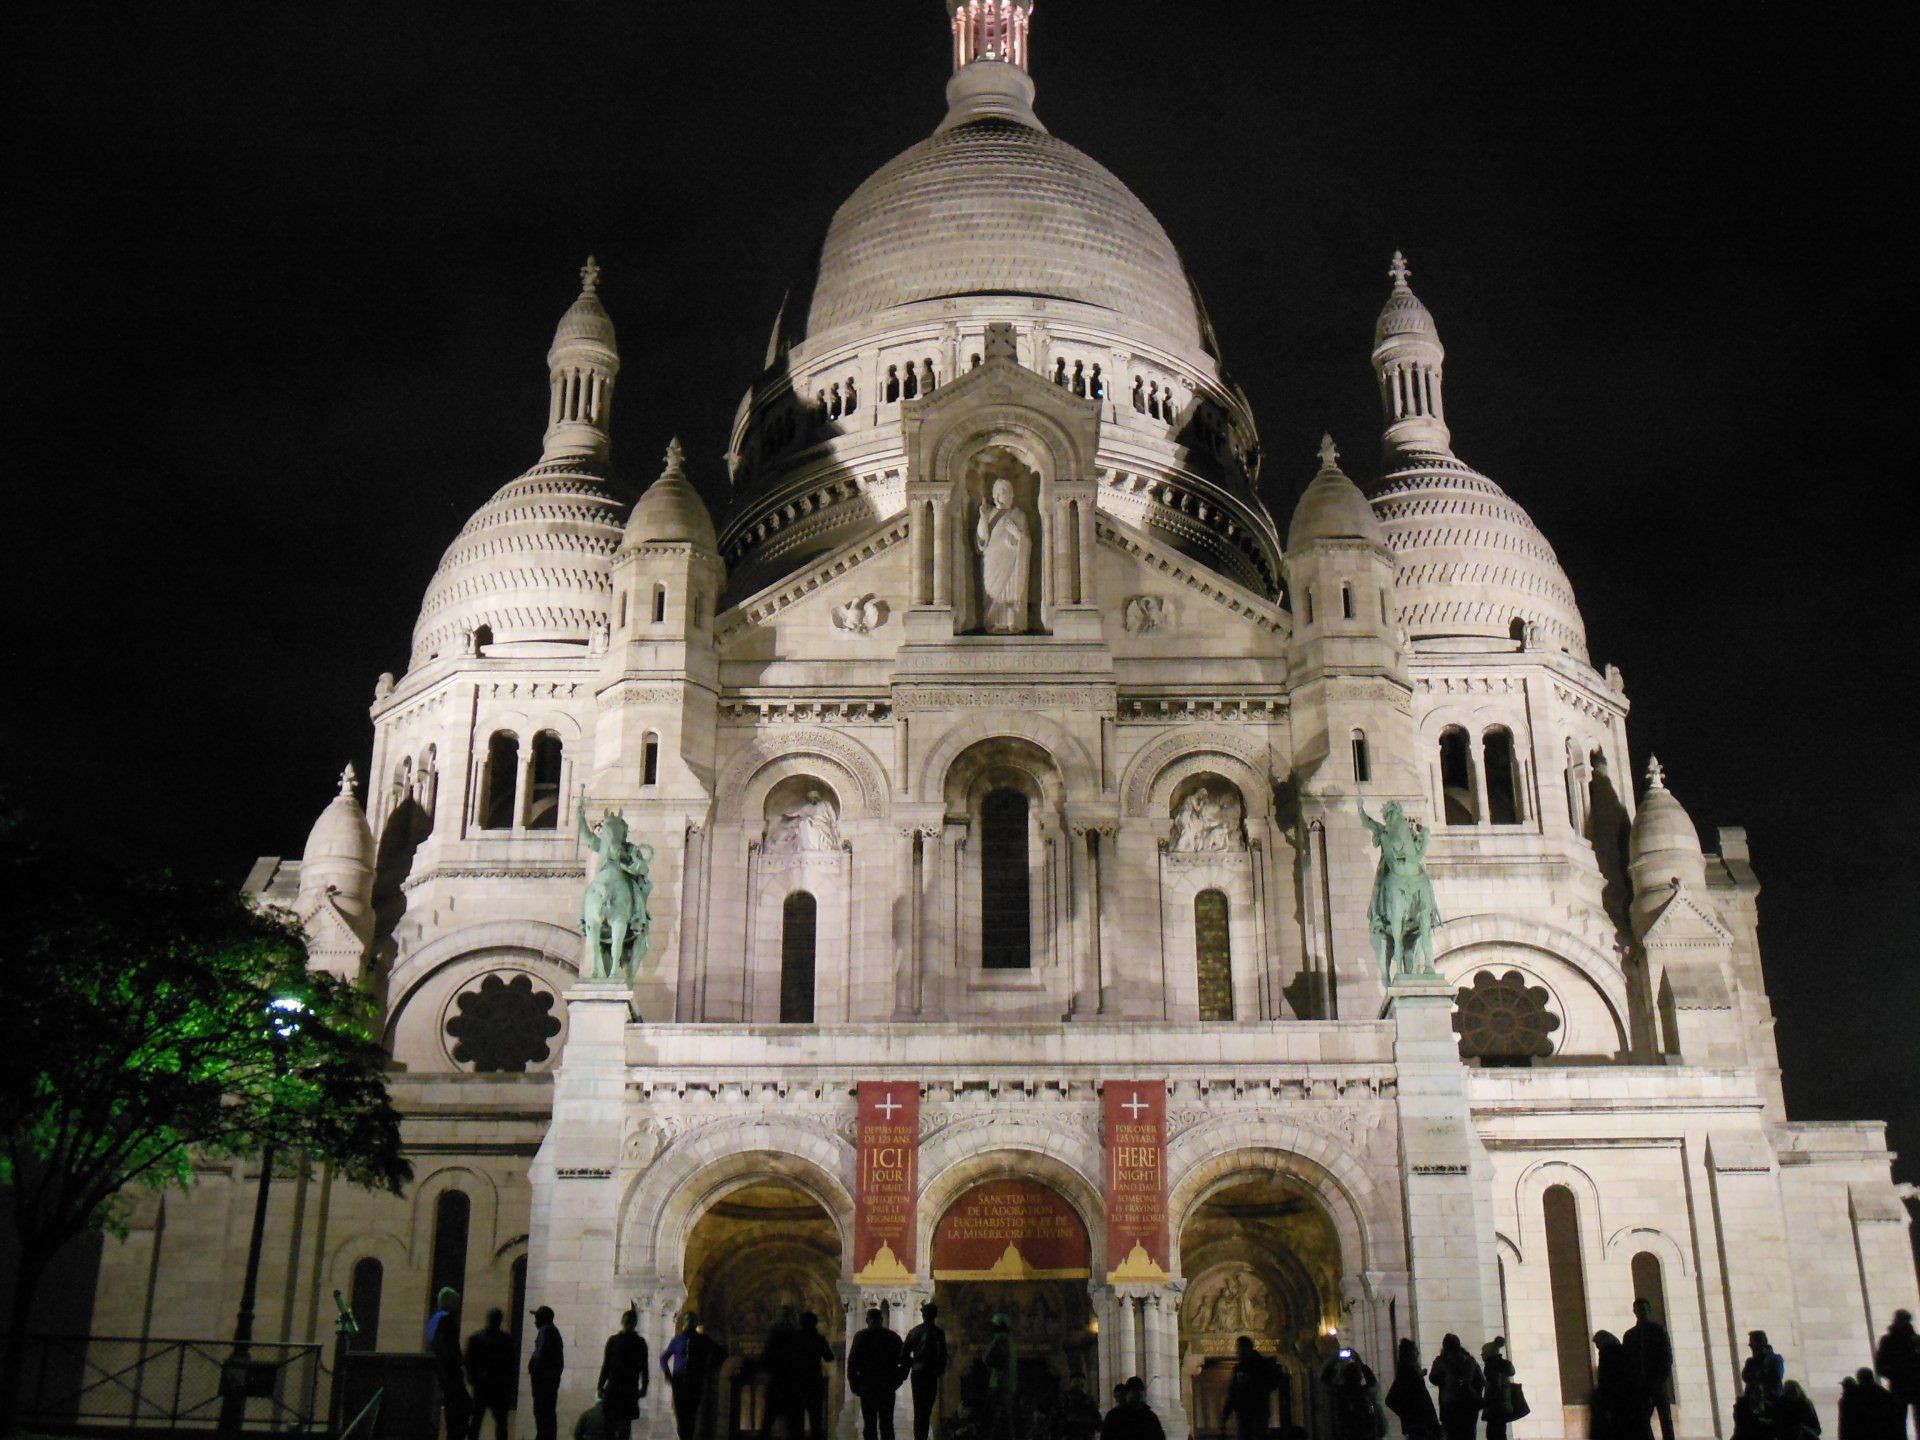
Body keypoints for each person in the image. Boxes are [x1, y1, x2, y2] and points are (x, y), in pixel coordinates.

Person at [662, 1311, 726, 1440]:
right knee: (681, 1415)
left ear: (696, 1323)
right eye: (687, 1320)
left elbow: (722, 1353)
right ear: (684, 1322)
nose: (688, 1322)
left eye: (691, 1320)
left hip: (695, 1381)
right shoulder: (678, 1339)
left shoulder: (703, 1339)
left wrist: (708, 1369)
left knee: (691, 1415)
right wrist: (668, 1375)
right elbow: (664, 1358)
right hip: (679, 1381)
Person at [848, 1307, 907, 1440]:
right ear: (882, 1320)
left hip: (867, 1386)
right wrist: (898, 1379)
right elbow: (905, 1361)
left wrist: (854, 1383)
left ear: (867, 1320)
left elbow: (852, 1363)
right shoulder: (892, 1337)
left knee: (869, 1425)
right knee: (887, 1425)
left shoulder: (861, 1336)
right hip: (886, 1386)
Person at [1623, 1300, 1675, 1440]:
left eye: (1645, 1309)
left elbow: (1666, 1358)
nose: (1643, 1312)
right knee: (1642, 1422)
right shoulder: (1630, 1336)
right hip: (1640, 1387)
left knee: (1666, 1422)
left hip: (1657, 1384)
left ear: (1649, 1310)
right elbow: (1628, 1362)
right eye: (1640, 1309)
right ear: (1635, 1311)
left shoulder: (1658, 1331)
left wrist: (1659, 1380)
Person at [464, 1307, 517, 1440]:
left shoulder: (476, 1338)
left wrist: (473, 1379)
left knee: (477, 1422)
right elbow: (511, 1365)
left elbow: (469, 1361)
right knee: (499, 1424)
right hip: (498, 1387)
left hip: (483, 1385)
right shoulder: (506, 1340)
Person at [598, 1306, 650, 1440]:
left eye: (631, 1322)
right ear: (622, 1321)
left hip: (628, 1388)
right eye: (627, 1321)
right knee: (608, 1425)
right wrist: (600, 1385)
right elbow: (607, 1364)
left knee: (624, 1427)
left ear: (635, 1324)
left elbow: (644, 1367)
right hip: (615, 1386)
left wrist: (644, 1386)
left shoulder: (640, 1343)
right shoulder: (613, 1341)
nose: (628, 1324)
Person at [428, 1287, 473, 1440]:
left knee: (453, 1408)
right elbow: (450, 1346)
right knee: (463, 1406)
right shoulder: (447, 1319)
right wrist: (460, 1362)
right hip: (450, 1372)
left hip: (440, 1371)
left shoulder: (434, 1318)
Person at [902, 1302, 950, 1440]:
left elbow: (904, 1354)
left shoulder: (914, 1332)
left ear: (923, 1315)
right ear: (935, 1315)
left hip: (918, 1373)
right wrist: (939, 1370)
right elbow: (942, 1356)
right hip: (931, 1374)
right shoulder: (938, 1333)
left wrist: (913, 1363)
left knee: (919, 1409)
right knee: (927, 1408)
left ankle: (919, 1437)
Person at [1594, 1331, 1651, 1440]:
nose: (1597, 1347)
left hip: (1617, 1399)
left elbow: (1605, 1378)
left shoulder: (1607, 1353)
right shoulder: (1622, 1351)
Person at [1428, 1336, 1484, 1440]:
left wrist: (1435, 1364)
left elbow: (1433, 1378)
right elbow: (1481, 1381)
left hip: (1449, 1406)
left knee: (1452, 1435)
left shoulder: (1442, 1362)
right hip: (1469, 1406)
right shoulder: (1469, 1360)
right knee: (1469, 1435)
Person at [1222, 1336, 1278, 1440]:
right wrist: (1225, 1413)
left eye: (1238, 1348)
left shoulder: (1262, 1366)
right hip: (1244, 1414)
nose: (1237, 1352)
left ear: (1247, 1349)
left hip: (1258, 1412)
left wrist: (1252, 1381)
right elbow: (1233, 1393)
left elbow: (1271, 1384)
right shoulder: (1240, 1368)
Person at [1385, 1337, 1441, 1440]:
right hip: (1422, 1426)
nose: (1418, 1353)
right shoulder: (1409, 1374)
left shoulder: (1405, 1373)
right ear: (1409, 1353)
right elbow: (1423, 1402)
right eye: (1415, 1350)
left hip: (1418, 1426)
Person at [1322, 1350, 1383, 1440]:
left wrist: (1335, 1360)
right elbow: (1372, 1382)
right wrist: (1360, 1362)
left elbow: (1325, 1382)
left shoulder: (1341, 1392)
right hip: (1357, 1434)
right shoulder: (1362, 1392)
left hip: (1352, 1434)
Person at [1878, 1312, 1920, 1440]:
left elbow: (1881, 1365)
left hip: (1901, 1385)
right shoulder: (1915, 1339)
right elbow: (1881, 1365)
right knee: (1899, 1422)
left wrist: (1894, 1375)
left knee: (1898, 1423)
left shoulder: (1888, 1340)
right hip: (1911, 1385)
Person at [529, 1306, 565, 1440]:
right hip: (547, 1382)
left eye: (537, 1317)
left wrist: (535, 1371)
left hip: (543, 1383)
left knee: (543, 1416)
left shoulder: (546, 1331)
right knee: (546, 1416)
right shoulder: (551, 1331)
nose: (535, 1321)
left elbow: (540, 1356)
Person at [799, 1311, 836, 1440]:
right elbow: (829, 1357)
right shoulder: (818, 1339)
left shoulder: (796, 1338)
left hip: (798, 1382)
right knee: (816, 1419)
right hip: (814, 1381)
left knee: (797, 1421)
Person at [982, 1313, 1019, 1440]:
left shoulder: (999, 1339)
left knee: (992, 1421)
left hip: (999, 1385)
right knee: (1007, 1420)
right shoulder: (1010, 1341)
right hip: (1009, 1385)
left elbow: (987, 1358)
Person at [1480, 1339, 1518, 1440]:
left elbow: (1494, 1388)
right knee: (1500, 1432)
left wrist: (1486, 1403)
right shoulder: (1502, 1365)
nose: (1481, 1355)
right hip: (1503, 1406)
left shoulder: (1491, 1367)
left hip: (1495, 1407)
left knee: (1493, 1434)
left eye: (1483, 1352)